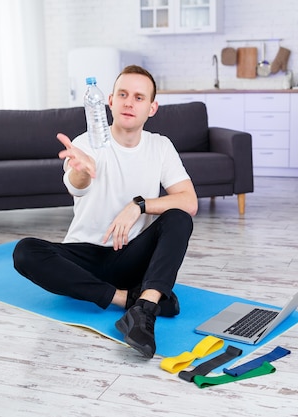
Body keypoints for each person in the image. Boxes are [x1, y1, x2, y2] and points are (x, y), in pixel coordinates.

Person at [12, 65, 198, 359]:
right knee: (25, 252)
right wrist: (83, 173)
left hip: (130, 257)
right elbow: (77, 184)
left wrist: (139, 205)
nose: (128, 102)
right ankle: (131, 301)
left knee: (178, 217)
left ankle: (145, 311)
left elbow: (189, 201)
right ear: (109, 100)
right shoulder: (87, 143)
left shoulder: (160, 146)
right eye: (122, 94)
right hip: (84, 256)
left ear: (152, 108)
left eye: (138, 97)